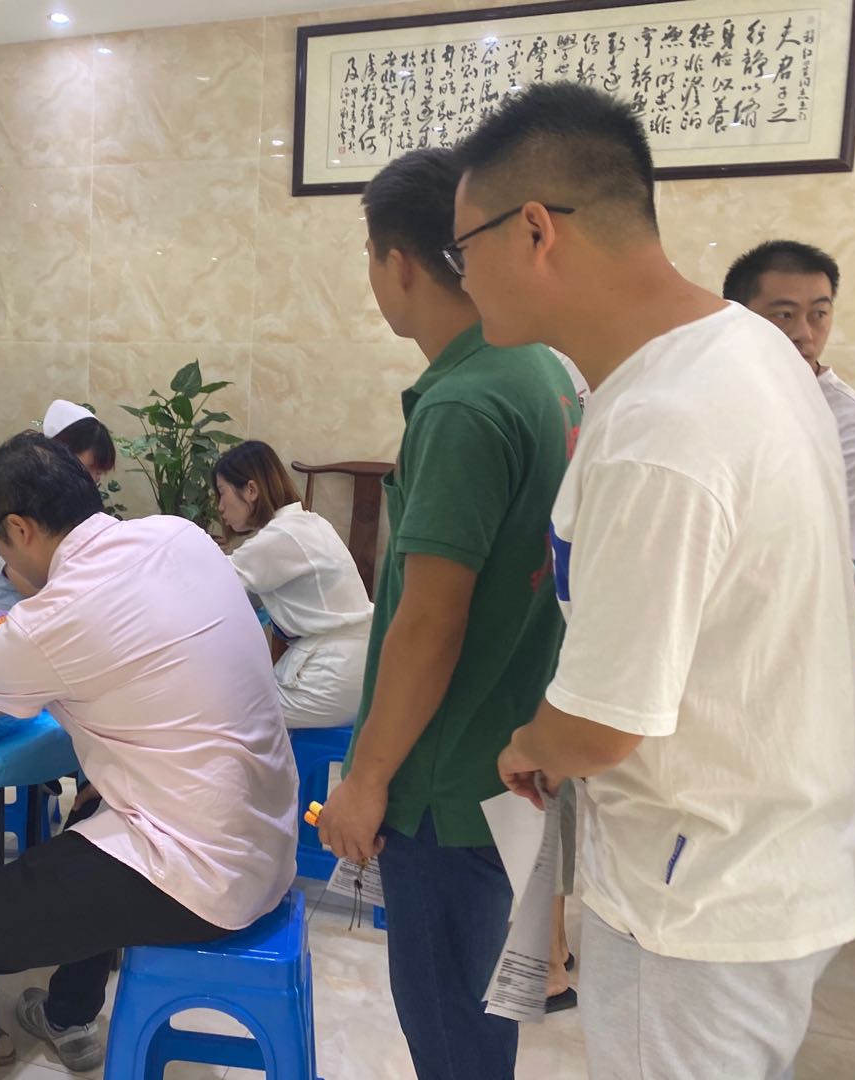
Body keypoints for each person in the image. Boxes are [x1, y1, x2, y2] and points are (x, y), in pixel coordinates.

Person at [449, 82, 855, 1079]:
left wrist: (531, 743)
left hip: (698, 903)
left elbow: (601, 727)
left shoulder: (664, 428)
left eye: (465, 249)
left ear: (535, 230)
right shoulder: (741, 348)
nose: (463, 278)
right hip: (767, 854)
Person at [0, 433, 298, 1078]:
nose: (2, 561)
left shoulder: (51, 617)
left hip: (200, 876)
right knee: (88, 812)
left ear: (19, 529)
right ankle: (68, 1013)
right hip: (268, 842)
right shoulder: (179, 536)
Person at [314, 147, 580, 1080]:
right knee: (481, 1017)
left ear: (399, 263)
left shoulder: (464, 403)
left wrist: (366, 780)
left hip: (444, 785)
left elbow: (430, 621)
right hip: (508, 761)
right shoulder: (542, 372)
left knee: (450, 1030)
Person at [724, 240, 855, 567]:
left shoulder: (849, 422)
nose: (805, 333)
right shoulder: (708, 395)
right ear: (736, 317)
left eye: (819, 314)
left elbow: (839, 555)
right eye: (785, 315)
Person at [213, 440, 373, 729]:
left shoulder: (281, 537)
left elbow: (212, 583)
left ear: (251, 490)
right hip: (356, 665)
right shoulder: (310, 523)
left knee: (225, 714)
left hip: (333, 674)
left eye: (222, 492)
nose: (220, 507)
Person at [0, 400, 115, 654]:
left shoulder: (69, 508)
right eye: (88, 469)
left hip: (26, 626)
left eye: (99, 474)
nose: (92, 481)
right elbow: (30, 585)